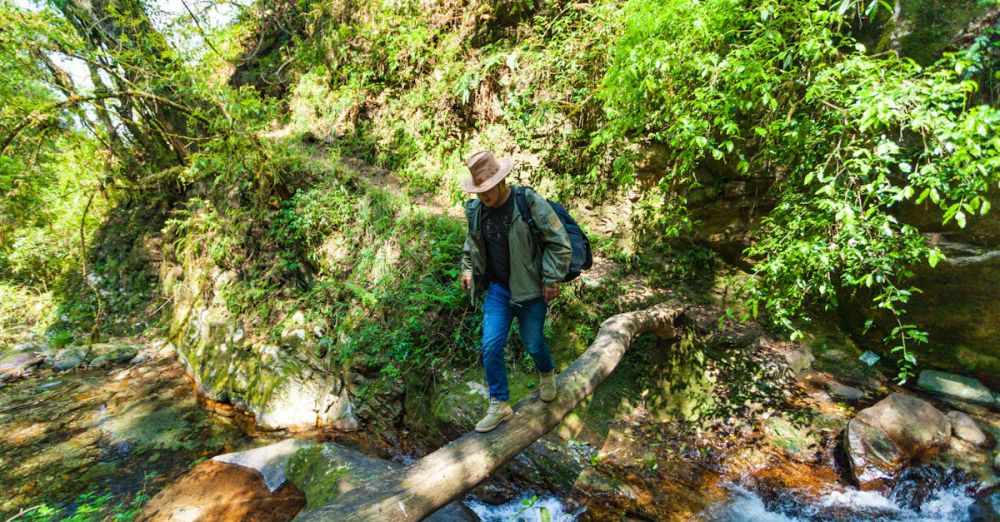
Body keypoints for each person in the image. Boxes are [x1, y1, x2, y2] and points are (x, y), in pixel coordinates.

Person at [459, 150, 573, 433]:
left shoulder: (527, 202)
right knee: (490, 346)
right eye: (479, 191)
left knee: (533, 342)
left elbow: (558, 242)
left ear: (501, 181)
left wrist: (551, 278)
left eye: (487, 189)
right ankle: (500, 404)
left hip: (531, 288)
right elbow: (471, 243)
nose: (483, 196)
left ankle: (546, 373)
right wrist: (466, 268)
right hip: (498, 289)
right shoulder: (476, 211)